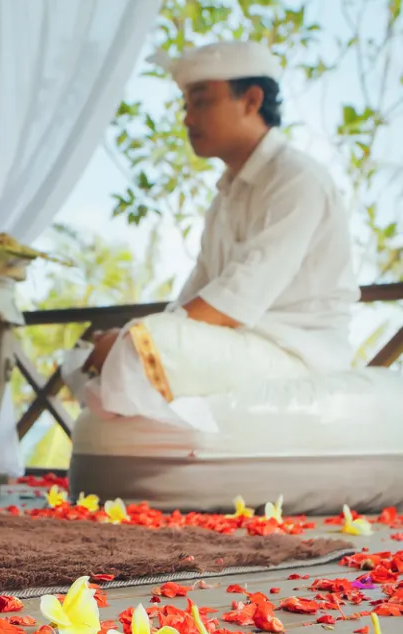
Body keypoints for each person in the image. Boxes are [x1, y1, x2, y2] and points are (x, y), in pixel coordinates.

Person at [78, 41, 360, 419]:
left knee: (139, 346)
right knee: (95, 351)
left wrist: (134, 335)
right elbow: (199, 291)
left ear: (252, 100)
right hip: (239, 346)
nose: (187, 120)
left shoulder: (297, 179)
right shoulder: (226, 195)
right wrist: (131, 334)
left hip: (297, 355)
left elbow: (236, 300)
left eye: (202, 102)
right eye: (186, 106)